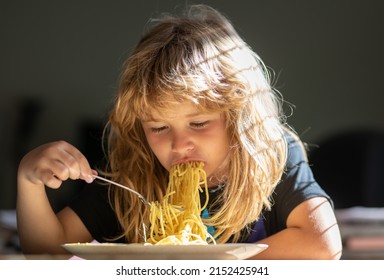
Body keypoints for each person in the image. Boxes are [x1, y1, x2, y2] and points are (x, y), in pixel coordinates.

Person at [16, 4, 342, 259]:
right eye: (158, 127)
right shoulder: (134, 175)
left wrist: (209, 267)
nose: (179, 144)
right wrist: (29, 182)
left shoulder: (271, 156)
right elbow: (50, 252)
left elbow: (322, 245)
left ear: (238, 117)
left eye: (199, 123)